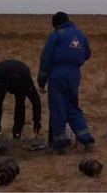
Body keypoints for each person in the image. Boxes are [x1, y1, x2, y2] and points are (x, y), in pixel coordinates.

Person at [37, 11, 95, 153]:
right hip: (74, 75)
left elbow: (46, 59)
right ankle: (87, 140)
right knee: (73, 107)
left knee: (58, 109)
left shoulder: (56, 35)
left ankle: (60, 144)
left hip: (57, 75)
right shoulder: (80, 34)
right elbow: (87, 54)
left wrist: (41, 80)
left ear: (55, 24)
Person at [0, 59, 42, 140]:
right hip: (2, 78)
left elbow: (35, 100)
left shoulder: (25, 80)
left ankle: (16, 133)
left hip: (20, 76)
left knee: (19, 104)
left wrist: (37, 120)